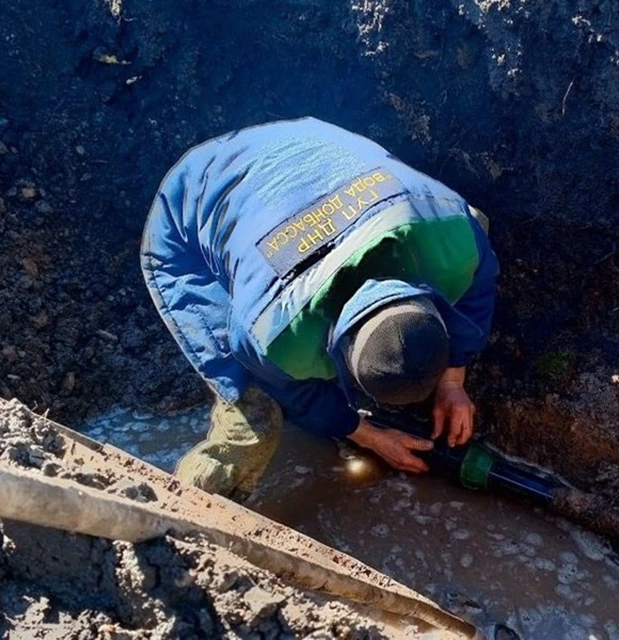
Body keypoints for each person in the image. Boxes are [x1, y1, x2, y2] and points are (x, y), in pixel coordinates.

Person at [140, 117, 498, 500]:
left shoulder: (457, 236)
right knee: (255, 417)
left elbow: (478, 284)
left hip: (304, 145)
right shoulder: (276, 335)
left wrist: (452, 382)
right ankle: (187, 512)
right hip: (190, 205)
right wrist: (367, 435)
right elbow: (297, 391)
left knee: (475, 225)